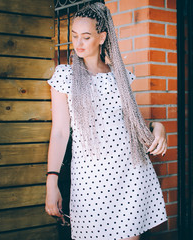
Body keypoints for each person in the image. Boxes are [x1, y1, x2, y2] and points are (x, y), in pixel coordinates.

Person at [45, 2, 168, 240]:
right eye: (74, 36)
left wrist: (159, 127)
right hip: (90, 182)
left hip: (130, 174)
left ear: (101, 37)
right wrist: (52, 182)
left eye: (86, 37)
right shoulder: (64, 76)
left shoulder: (120, 77)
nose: (78, 43)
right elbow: (60, 132)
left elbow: (136, 125)